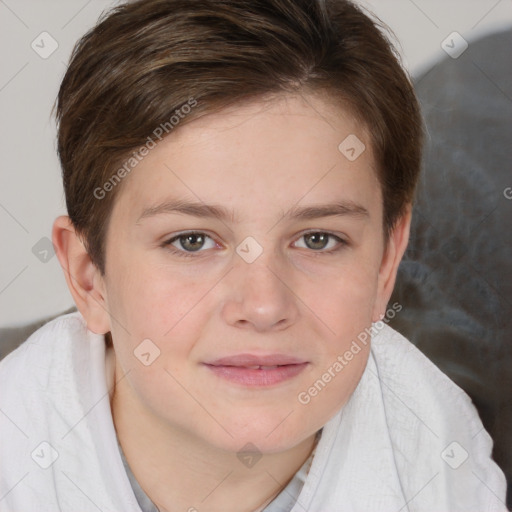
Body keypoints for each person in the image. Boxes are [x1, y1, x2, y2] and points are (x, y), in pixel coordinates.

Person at [0, 0, 507, 510]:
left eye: (317, 239)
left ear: (384, 264)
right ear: (90, 278)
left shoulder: (443, 469)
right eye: (192, 241)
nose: (264, 306)